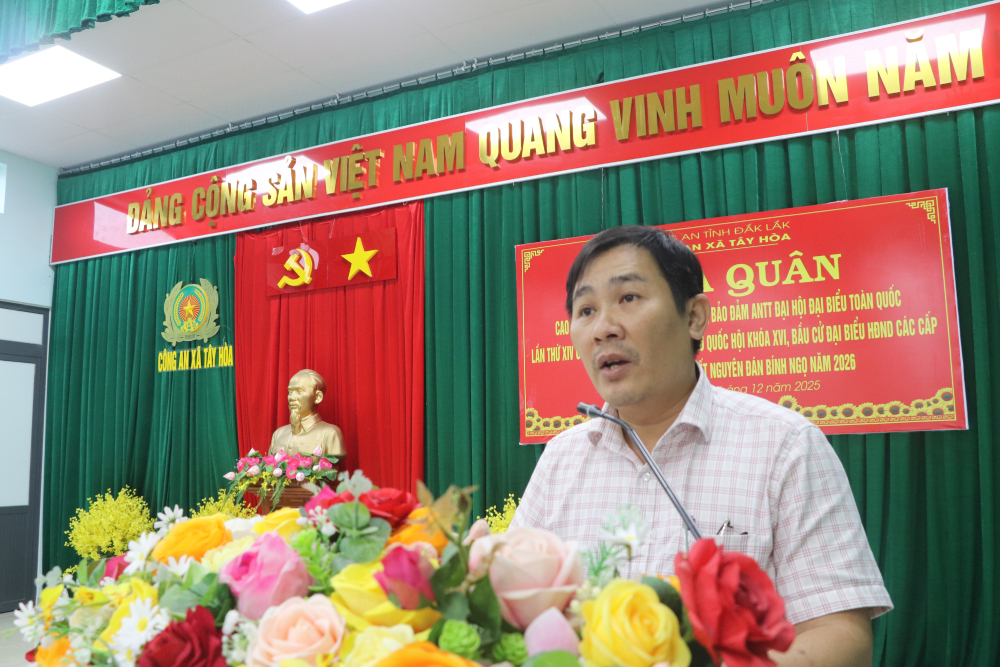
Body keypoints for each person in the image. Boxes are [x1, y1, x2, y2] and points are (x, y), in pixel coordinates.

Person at [510, 226, 892, 667]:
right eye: (586, 310)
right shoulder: (561, 459)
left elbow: (841, 635)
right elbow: (511, 608)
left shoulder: (784, 445)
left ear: (694, 317)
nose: (603, 329)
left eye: (628, 298)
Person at [269, 369, 346, 458]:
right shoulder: (278, 434)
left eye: (299, 392)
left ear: (317, 397)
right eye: (290, 392)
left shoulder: (330, 434)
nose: (291, 397)